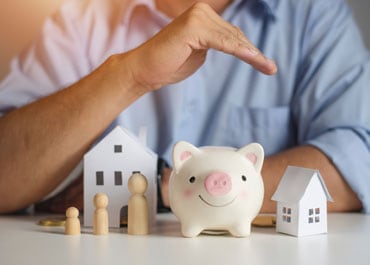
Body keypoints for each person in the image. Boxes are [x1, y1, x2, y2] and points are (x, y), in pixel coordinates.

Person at [0, 0, 368, 214]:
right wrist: (128, 76)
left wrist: (166, 190)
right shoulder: (81, 18)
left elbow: (358, 157)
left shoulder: (312, 12)